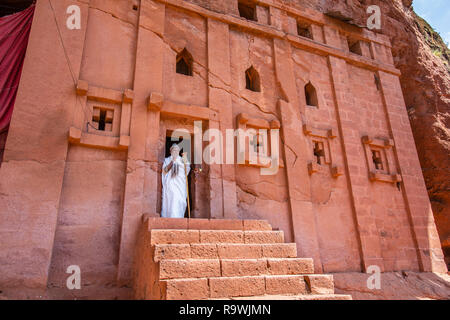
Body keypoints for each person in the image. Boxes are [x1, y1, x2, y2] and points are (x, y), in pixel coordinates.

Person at [161, 144, 190, 218]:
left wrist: (185, 160)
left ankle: (179, 217)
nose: (175, 152)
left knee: (180, 200)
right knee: (173, 198)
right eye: (174, 150)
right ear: (171, 151)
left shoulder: (182, 159)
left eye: (177, 150)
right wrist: (172, 162)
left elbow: (187, 170)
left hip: (180, 184)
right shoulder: (167, 160)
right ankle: (172, 217)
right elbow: (164, 171)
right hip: (171, 184)